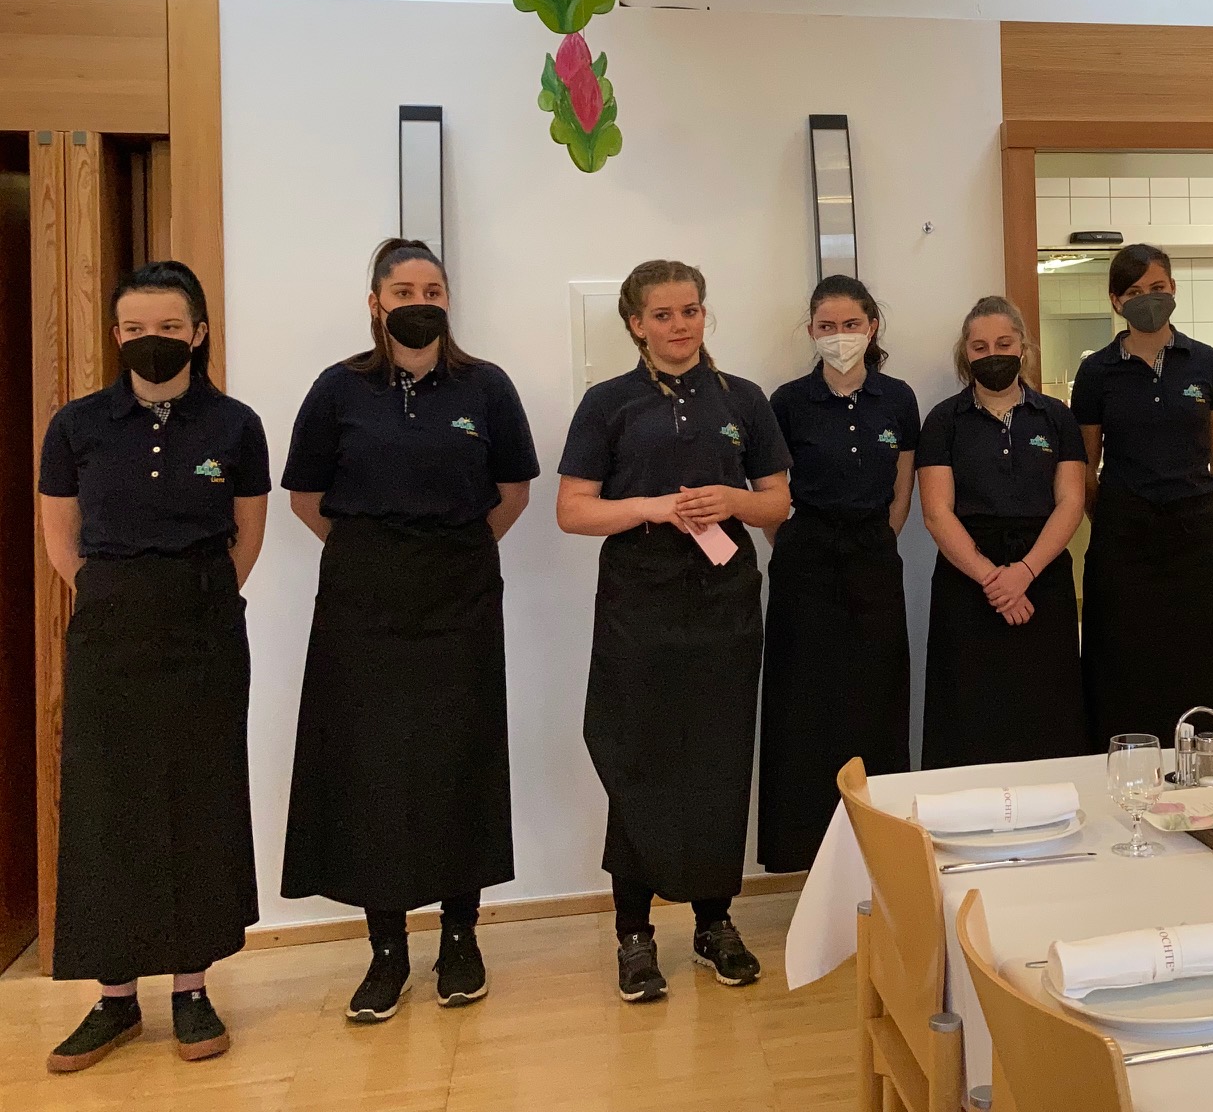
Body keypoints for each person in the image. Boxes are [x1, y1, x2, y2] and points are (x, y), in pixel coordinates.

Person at [279, 239, 539, 1022]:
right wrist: (378, 554)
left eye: (431, 289)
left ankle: (460, 937)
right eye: (402, 291)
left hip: (459, 597)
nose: (418, 301)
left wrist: (447, 553)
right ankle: (386, 950)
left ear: (448, 299)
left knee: (460, 757)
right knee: (371, 767)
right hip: (363, 603)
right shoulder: (338, 389)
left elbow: (514, 491)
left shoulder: (486, 387)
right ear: (376, 303)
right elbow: (305, 497)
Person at [37, 261, 269, 1074]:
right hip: (110, 632)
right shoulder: (76, 425)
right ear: (116, 335)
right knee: (109, 805)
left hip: (205, 631)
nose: (152, 340)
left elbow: (248, 534)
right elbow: (61, 538)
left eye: (169, 327)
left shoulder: (235, 425)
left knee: (199, 798)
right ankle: (114, 999)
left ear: (198, 333)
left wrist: (194, 597)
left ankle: (192, 989)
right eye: (136, 328)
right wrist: (118, 596)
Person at [556, 260, 791, 1000]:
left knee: (718, 762)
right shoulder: (608, 403)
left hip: (724, 609)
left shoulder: (743, 399)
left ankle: (715, 923)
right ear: (636, 324)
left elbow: (778, 503)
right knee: (640, 761)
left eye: (690, 310)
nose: (680, 325)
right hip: (639, 609)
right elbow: (573, 510)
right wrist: (651, 509)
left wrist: (733, 500)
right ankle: (634, 933)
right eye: (663, 314)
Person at [760, 275, 920, 873]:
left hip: (873, 559)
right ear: (811, 331)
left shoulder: (898, 398)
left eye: (851, 324)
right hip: (805, 563)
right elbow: (772, 495)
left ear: (871, 326)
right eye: (826, 326)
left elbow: (902, 491)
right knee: (804, 705)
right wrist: (803, 542)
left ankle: (880, 856)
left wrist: (873, 540)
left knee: (877, 702)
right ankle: (804, 853)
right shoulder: (787, 401)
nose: (839, 335)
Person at [1072, 245, 1213, 751]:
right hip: (1123, 542)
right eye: (1133, 291)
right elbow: (1086, 467)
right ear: (1115, 301)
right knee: (1123, 663)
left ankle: (1210, 763)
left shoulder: (1210, 364)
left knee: (1204, 658)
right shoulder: (1096, 372)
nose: (1147, 298)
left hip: (1197, 542)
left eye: (1157, 288)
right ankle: (1125, 765)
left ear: (1173, 290)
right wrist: (1117, 517)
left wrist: (1197, 512)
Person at [917, 296, 1088, 767]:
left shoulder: (1057, 417)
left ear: (1023, 348)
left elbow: (1071, 502)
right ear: (965, 353)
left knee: (1048, 710)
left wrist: (1024, 573)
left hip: (1042, 577)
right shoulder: (943, 421)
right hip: (967, 581)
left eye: (1003, 343)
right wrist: (994, 580)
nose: (992, 353)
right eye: (980, 346)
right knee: (969, 713)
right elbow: (936, 513)